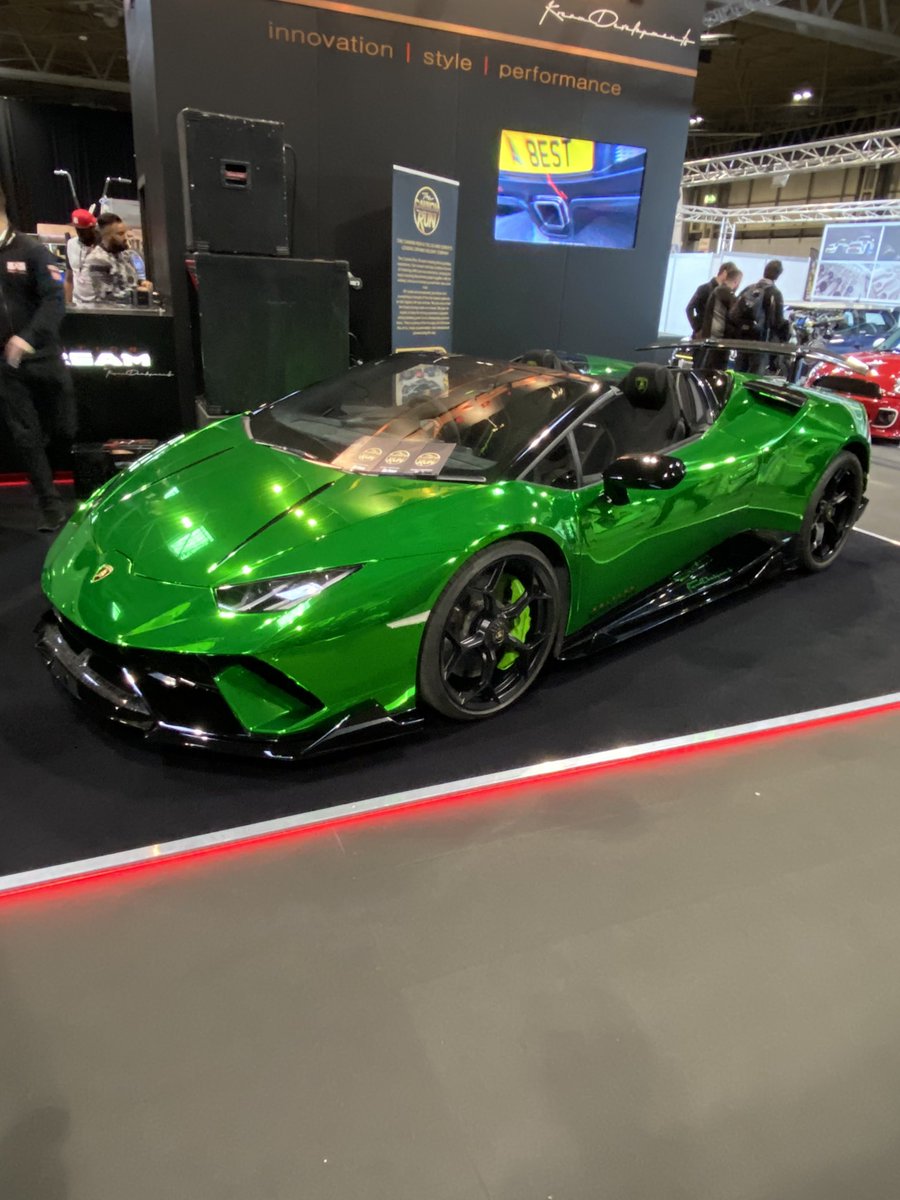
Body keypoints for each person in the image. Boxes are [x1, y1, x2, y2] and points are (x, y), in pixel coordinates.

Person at [0, 183, 75, 530]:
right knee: (24, 434)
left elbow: (54, 301)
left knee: (64, 427)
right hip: (5, 365)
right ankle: (49, 504)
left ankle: (54, 478)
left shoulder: (31, 251)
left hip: (43, 356)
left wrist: (27, 338)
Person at [732, 259, 791, 373]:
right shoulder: (775, 293)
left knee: (739, 371)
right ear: (778, 275)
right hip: (761, 341)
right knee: (755, 375)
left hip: (743, 339)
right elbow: (777, 322)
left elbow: (734, 313)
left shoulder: (749, 289)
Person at [84, 212, 152, 306]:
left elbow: (125, 281)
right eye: (120, 234)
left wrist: (141, 283)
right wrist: (137, 293)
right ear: (106, 236)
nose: (125, 237)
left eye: (125, 232)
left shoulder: (124, 255)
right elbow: (106, 296)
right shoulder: (97, 260)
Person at [698, 263, 743, 369]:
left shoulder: (718, 291)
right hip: (718, 341)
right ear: (736, 281)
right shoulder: (725, 293)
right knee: (715, 370)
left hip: (711, 339)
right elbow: (736, 315)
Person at [685, 260, 739, 336]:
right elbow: (689, 308)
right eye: (730, 275)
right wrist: (697, 328)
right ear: (724, 273)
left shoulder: (726, 292)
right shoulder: (704, 288)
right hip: (702, 333)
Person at [64, 208, 97, 307]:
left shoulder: (102, 246)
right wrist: (68, 304)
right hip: (78, 304)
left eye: (84, 230)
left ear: (93, 227)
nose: (80, 233)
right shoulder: (71, 244)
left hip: (100, 304)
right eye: (78, 229)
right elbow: (69, 277)